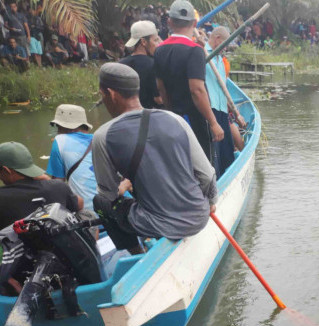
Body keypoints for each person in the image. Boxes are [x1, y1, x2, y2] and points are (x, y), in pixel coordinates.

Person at [91, 63, 218, 255]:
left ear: (111, 93)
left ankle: (136, 254)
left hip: (158, 225)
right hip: (199, 217)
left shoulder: (103, 136)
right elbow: (207, 175)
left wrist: (124, 185)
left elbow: (108, 195)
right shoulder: (175, 119)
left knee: (99, 203)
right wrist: (211, 202)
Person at [154, 0, 224, 162]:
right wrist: (213, 122)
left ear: (170, 22)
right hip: (195, 119)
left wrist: (171, 111)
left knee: (179, 161)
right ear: (194, 23)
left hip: (174, 118)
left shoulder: (159, 50)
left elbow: (161, 88)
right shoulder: (195, 51)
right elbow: (197, 90)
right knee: (203, 164)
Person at [0, 141, 82, 230]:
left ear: (6, 170)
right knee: (87, 214)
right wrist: (47, 179)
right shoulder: (58, 187)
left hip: (21, 243)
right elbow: (80, 204)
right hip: (60, 241)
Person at [205, 26, 245, 176]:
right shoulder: (203, 54)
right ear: (217, 39)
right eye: (225, 44)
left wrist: (234, 113)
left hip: (222, 109)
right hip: (211, 109)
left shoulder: (220, 60)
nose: (226, 48)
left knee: (227, 151)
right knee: (215, 153)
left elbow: (223, 89)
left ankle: (228, 178)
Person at [46, 104, 98, 211]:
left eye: (58, 127)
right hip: (120, 209)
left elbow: (57, 185)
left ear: (64, 127)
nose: (57, 130)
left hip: (91, 215)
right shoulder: (101, 138)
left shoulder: (60, 141)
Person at [120, 20, 162, 109]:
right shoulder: (154, 64)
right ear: (143, 42)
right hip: (149, 117)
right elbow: (158, 99)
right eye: (155, 40)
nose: (158, 44)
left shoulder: (121, 65)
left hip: (127, 116)